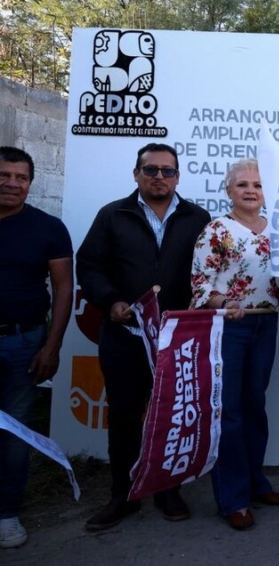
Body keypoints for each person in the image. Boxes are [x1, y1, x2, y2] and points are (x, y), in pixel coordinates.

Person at [78, 142, 210, 531]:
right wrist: (111, 301)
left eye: (167, 171)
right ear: (136, 174)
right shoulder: (113, 215)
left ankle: (168, 489)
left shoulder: (198, 218)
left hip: (177, 339)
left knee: (173, 416)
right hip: (126, 333)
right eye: (150, 170)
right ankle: (124, 494)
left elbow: (210, 274)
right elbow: (89, 266)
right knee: (123, 417)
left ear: (178, 177)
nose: (159, 177)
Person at [190, 159, 279, 531]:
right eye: (242, 184)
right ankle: (232, 497)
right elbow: (201, 283)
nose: (250, 190)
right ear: (228, 190)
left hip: (268, 322)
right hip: (230, 326)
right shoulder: (217, 230)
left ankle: (256, 484)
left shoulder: (277, 230)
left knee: (254, 406)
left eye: (258, 185)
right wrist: (224, 304)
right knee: (229, 412)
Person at [0, 147, 73, 549]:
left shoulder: (48, 228)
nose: (12, 183)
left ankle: (6, 514)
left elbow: (64, 288)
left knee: (15, 433)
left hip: (22, 342)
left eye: (20, 177)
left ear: (31, 181)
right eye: (4, 175)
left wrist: (52, 345)